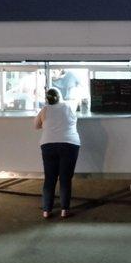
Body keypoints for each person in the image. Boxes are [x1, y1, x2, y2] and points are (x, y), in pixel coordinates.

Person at [35, 87, 80, 219]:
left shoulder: (45, 110)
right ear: (60, 96)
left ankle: (46, 211)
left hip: (48, 145)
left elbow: (36, 125)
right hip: (70, 144)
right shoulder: (69, 106)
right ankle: (64, 210)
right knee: (65, 179)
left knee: (50, 179)